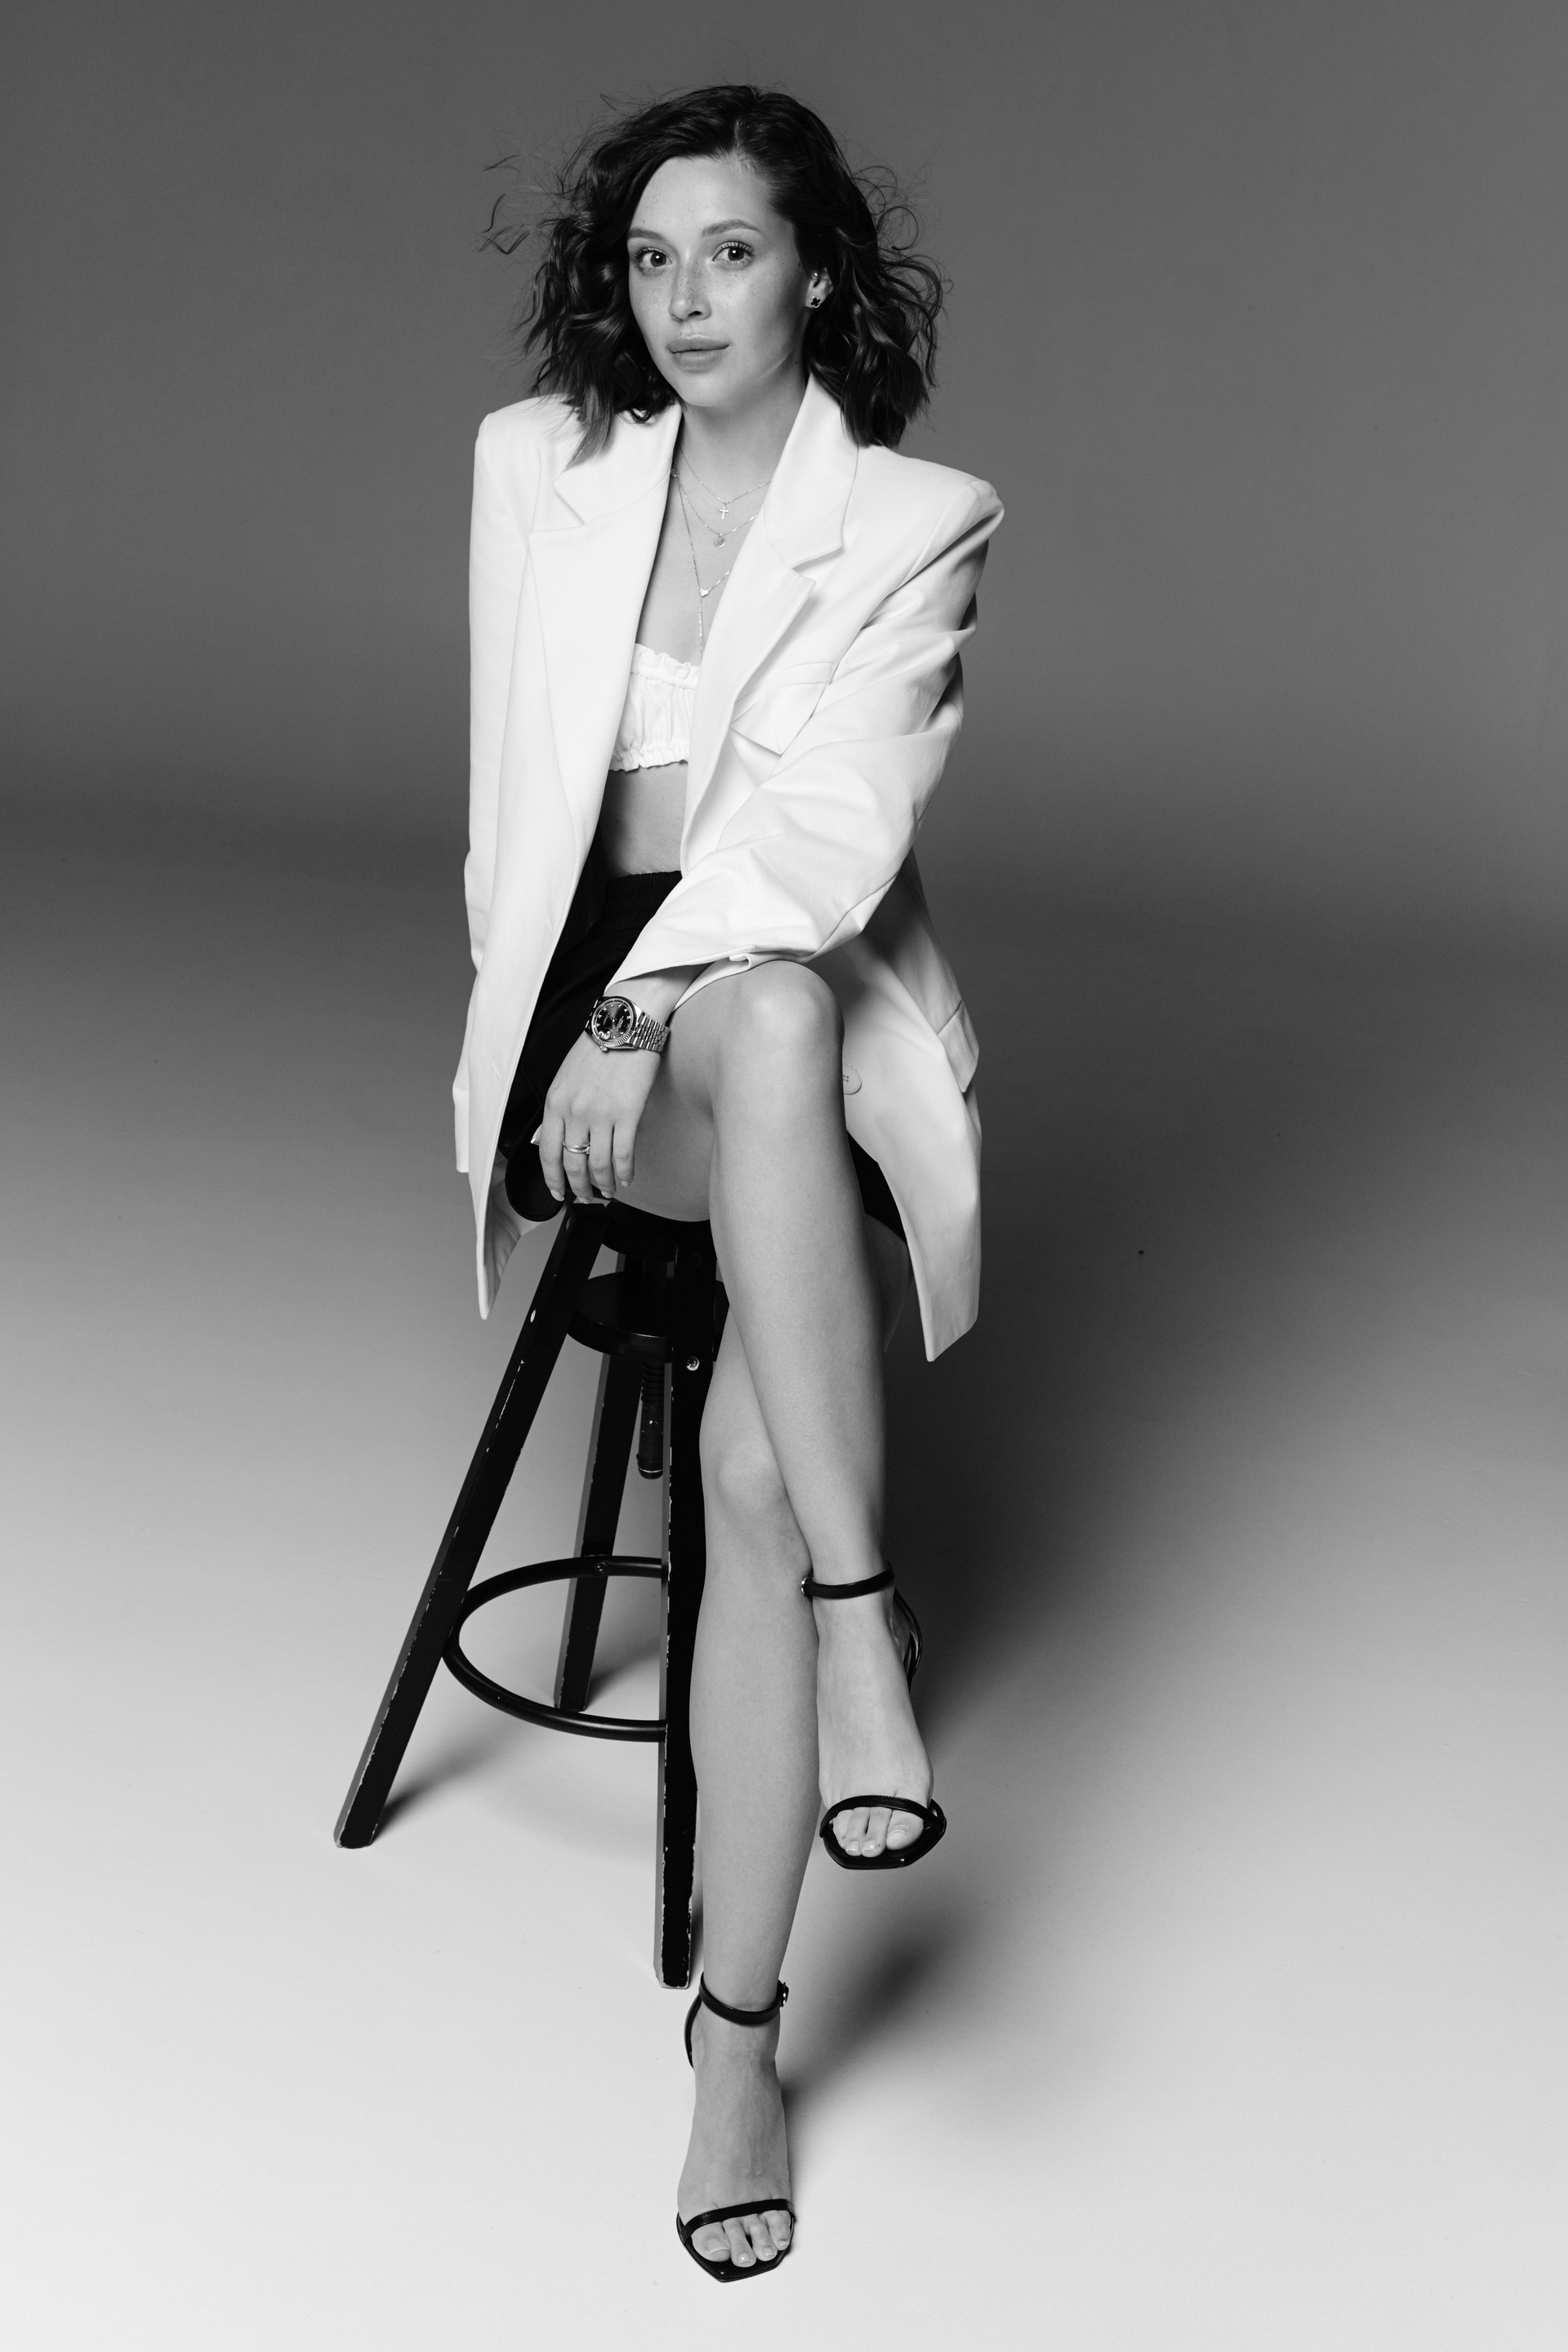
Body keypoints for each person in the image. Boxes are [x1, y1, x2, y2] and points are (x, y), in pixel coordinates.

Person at [453, 84, 1001, 2281]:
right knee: (743, 1027)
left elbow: (824, 843)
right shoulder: (537, 469)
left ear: (818, 273)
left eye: (735, 253)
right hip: (595, 1038)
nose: (686, 301)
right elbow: (508, 825)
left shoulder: (920, 518)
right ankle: (876, 1637)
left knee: (758, 1455)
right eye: (652, 259)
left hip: (796, 1012)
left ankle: (739, 2040)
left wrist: (659, 1000)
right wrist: (593, 1022)